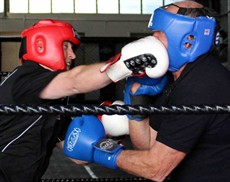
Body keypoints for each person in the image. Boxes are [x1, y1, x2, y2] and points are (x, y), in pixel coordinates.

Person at [63, 1, 230, 182]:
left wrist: (98, 149)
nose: (153, 38)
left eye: (160, 33)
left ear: (188, 41)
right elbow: (148, 145)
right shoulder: (174, 81)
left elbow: (156, 168)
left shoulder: (202, 83)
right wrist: (137, 103)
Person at [0, 19, 169, 182]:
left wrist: (106, 130)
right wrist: (123, 65)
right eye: (66, 46)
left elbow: (75, 152)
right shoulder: (25, 78)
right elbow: (74, 82)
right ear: (41, 45)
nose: (72, 55)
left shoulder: (53, 101)